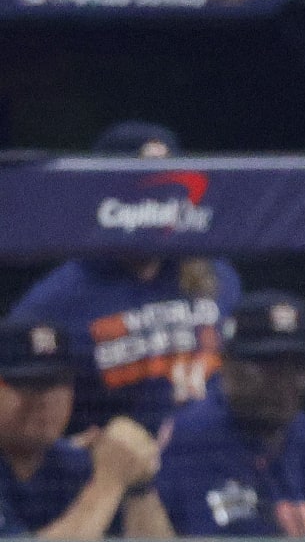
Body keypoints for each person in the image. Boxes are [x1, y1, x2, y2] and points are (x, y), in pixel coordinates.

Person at [5, 122, 244, 436]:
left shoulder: (218, 276)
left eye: (170, 181)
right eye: (147, 182)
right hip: (118, 472)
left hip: (209, 463)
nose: (160, 199)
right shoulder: (56, 300)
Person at [156, 291, 305, 537]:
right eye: (268, 365)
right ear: (227, 363)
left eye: (298, 366)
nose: (284, 382)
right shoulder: (193, 439)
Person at [0, 321, 173, 540]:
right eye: (24, 383)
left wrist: (137, 483)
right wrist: (108, 482)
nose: (43, 399)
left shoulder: (79, 465)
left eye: (55, 383)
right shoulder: (102, 474)